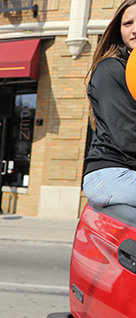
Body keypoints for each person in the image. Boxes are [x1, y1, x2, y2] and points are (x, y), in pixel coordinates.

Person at [83, 0, 136, 207]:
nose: (134, 30)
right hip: (111, 174)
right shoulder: (111, 68)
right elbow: (127, 133)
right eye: (128, 23)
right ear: (119, 30)